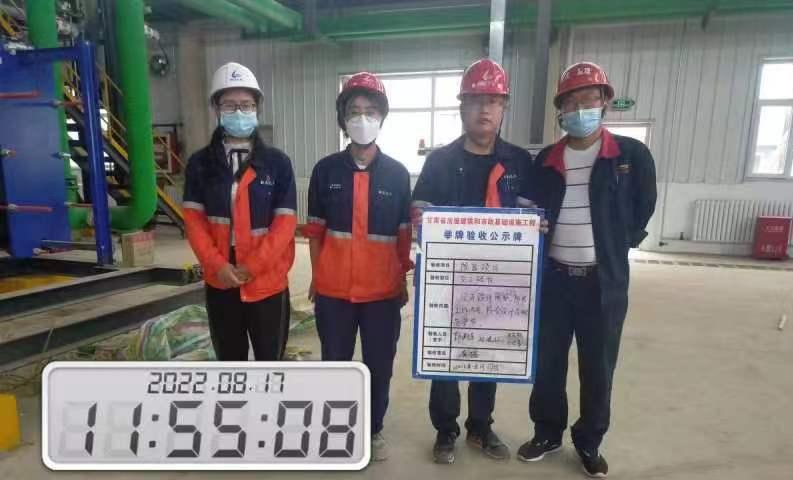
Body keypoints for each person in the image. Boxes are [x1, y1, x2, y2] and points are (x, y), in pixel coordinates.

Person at [516, 61, 657, 478]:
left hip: (603, 283)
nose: (580, 109)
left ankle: (589, 441)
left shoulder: (630, 155)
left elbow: (643, 207)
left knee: (598, 367)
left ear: (605, 102)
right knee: (548, 364)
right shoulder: (547, 160)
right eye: (571, 102)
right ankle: (547, 433)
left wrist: (614, 244)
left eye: (589, 99)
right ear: (560, 110)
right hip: (555, 281)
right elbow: (531, 212)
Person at [411, 58, 532, 464]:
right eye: (476, 101)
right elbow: (419, 210)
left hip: (500, 280)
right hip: (448, 278)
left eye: (493, 101)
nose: (485, 109)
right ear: (462, 106)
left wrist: (536, 227)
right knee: (445, 357)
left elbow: (533, 215)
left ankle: (480, 426)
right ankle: (446, 430)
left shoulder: (519, 161)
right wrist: (424, 221)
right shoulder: (440, 161)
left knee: (487, 353)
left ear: (504, 107)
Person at [301, 72, 413, 462]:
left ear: (382, 117)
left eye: (370, 111)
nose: (362, 118)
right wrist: (318, 276)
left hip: (382, 293)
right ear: (343, 118)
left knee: (378, 366)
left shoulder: (398, 174)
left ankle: (373, 428)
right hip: (334, 292)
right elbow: (315, 232)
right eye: (354, 111)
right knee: (335, 364)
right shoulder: (325, 171)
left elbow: (403, 235)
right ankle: (335, 428)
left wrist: (402, 279)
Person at [182, 62, 297, 361]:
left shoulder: (277, 163)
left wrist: (253, 266)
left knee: (270, 361)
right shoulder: (200, 164)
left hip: (266, 278)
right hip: (220, 277)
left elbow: (285, 225)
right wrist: (216, 265)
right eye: (230, 105)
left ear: (257, 108)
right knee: (230, 360)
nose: (239, 111)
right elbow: (194, 222)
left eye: (246, 105)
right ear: (216, 109)